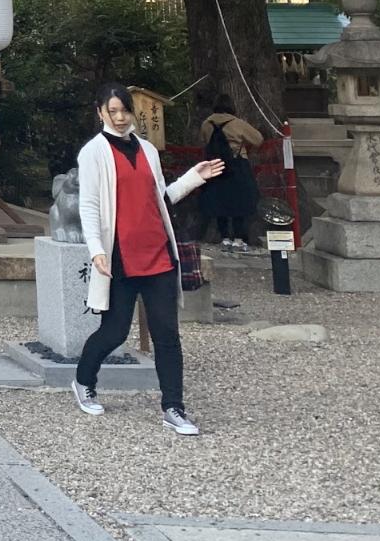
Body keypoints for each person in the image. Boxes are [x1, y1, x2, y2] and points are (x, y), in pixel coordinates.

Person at [72, 81, 224, 435]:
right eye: (113, 111)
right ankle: (83, 380)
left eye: (125, 110)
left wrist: (192, 179)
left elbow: (160, 199)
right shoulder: (93, 153)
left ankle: (174, 407)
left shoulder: (147, 150)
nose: (121, 117)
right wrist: (96, 249)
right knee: (113, 332)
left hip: (158, 253)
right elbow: (89, 206)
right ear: (100, 112)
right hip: (120, 256)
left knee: (167, 334)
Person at [196, 95, 265, 250]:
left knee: (219, 200)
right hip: (237, 164)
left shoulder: (207, 123)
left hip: (215, 165)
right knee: (240, 200)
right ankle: (239, 237)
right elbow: (258, 139)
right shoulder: (237, 123)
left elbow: (202, 140)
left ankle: (224, 236)